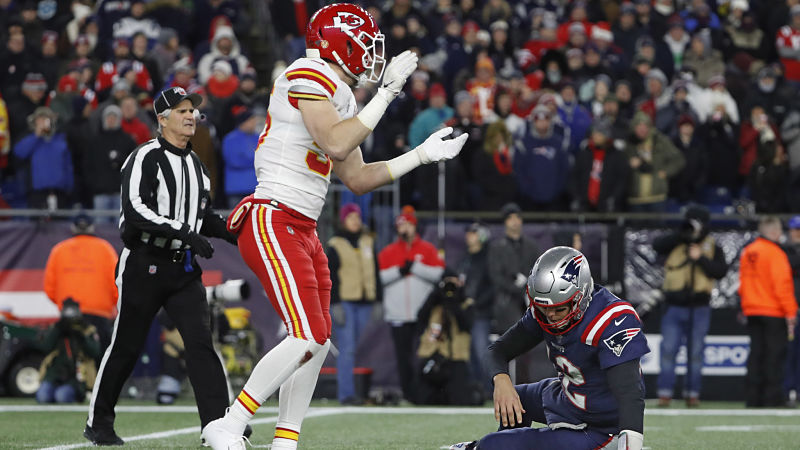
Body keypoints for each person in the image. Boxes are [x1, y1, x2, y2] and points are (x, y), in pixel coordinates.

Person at [202, 4, 467, 449]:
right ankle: (228, 424)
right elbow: (335, 140)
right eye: (364, 44)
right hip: (272, 215)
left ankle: (285, 440)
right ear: (337, 44)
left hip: (302, 226)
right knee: (308, 332)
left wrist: (420, 155)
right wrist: (386, 94)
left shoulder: (341, 95)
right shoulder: (307, 72)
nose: (370, 55)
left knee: (318, 340)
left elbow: (359, 178)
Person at [84, 87, 239, 446]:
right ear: (162, 119)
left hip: (182, 269)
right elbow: (137, 212)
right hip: (144, 264)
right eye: (182, 110)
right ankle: (99, 423)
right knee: (126, 346)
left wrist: (236, 233)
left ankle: (219, 425)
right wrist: (187, 233)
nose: (190, 116)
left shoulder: (197, 165)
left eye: (193, 111)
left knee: (201, 344)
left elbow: (203, 217)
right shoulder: (144, 157)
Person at [450, 246, 650, 450]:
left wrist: (630, 445)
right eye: (544, 308)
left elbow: (630, 394)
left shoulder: (611, 319)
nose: (550, 315)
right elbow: (497, 350)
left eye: (558, 309)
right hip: (570, 398)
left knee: (492, 445)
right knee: (514, 400)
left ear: (580, 298)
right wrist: (501, 380)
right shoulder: (546, 310)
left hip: (601, 427)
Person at [652, 205, 728, 407]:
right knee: (668, 350)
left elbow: (720, 271)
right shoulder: (675, 241)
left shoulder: (712, 246)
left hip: (699, 306)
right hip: (674, 305)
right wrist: (681, 235)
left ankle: (692, 394)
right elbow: (656, 245)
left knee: (695, 352)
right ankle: (665, 394)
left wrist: (700, 258)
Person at [378, 207, 446, 404]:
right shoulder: (388, 252)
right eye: (400, 225)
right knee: (403, 358)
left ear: (414, 226)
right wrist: (399, 271)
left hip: (422, 315)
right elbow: (379, 278)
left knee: (423, 355)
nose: (403, 228)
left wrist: (415, 268)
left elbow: (438, 274)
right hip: (398, 314)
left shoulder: (427, 249)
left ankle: (423, 394)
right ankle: (408, 395)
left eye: (406, 224)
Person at [739, 216, 798, 407]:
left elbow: (742, 284)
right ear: (773, 232)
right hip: (773, 311)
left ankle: (753, 398)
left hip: (753, 310)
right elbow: (782, 285)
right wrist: (791, 312)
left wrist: (746, 306)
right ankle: (772, 398)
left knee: (756, 354)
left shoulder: (749, 251)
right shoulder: (775, 253)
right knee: (774, 356)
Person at [326, 203, 381, 405]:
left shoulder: (368, 241)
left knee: (352, 348)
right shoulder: (336, 244)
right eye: (351, 218)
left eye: (357, 217)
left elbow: (375, 271)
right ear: (343, 220)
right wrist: (335, 302)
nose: (356, 221)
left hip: (365, 302)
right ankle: (346, 395)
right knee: (347, 349)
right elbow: (329, 275)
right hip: (346, 303)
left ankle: (350, 392)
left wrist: (379, 300)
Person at [44, 213, 119, 356]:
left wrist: (62, 303)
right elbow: (117, 284)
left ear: (73, 228)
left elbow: (49, 288)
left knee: (66, 359)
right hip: (99, 315)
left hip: (68, 315)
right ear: (91, 227)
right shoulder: (105, 249)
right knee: (101, 361)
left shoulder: (59, 250)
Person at [416, 270, 479, 406]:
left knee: (461, 400)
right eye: (447, 282)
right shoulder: (435, 301)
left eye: (454, 282)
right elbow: (421, 317)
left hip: (456, 356)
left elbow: (466, 325)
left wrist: (454, 302)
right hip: (433, 354)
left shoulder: (466, 302)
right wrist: (436, 295)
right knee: (422, 399)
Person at [488, 202, 542, 334]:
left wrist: (528, 288)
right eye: (510, 218)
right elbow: (495, 276)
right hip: (507, 303)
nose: (515, 221)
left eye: (517, 217)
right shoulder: (497, 248)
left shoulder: (532, 246)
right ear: (505, 222)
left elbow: (540, 269)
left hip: (531, 301)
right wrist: (517, 288)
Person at [37, 299, 101, 404]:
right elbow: (45, 347)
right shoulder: (57, 328)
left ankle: (79, 394)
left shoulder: (87, 329)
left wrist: (81, 337)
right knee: (42, 397)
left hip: (76, 374)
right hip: (55, 373)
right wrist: (57, 330)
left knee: (62, 397)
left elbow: (95, 352)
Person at [458, 222, 494, 389]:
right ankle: (476, 390)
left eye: (473, 233)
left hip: (481, 313)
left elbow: (493, 287)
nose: (469, 236)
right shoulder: (465, 259)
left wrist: (477, 302)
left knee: (482, 353)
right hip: (466, 314)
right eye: (469, 233)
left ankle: (490, 389)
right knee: (469, 355)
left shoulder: (487, 258)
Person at [784, 215, 800, 406]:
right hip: (788, 311)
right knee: (787, 355)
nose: (797, 233)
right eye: (794, 229)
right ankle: (787, 391)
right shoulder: (781, 250)